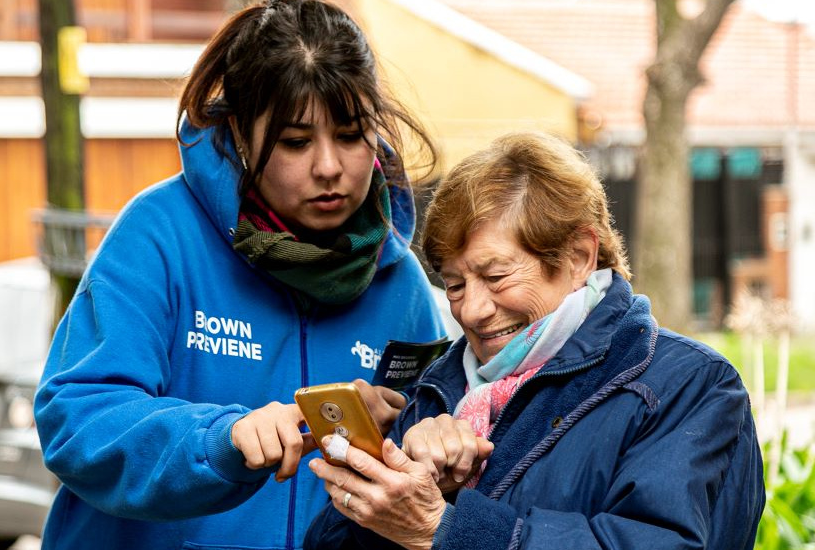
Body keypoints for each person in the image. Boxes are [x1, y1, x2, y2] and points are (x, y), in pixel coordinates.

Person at [33, 1, 449, 548]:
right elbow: (78, 419)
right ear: (239, 133)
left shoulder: (401, 284)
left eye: (350, 135)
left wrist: (402, 436)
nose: (329, 166)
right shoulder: (158, 235)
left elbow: (426, 475)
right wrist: (220, 441)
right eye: (295, 142)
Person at [305, 131, 766, 550]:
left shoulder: (689, 386)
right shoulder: (439, 389)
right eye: (455, 284)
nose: (472, 310)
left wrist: (446, 528)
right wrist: (410, 480)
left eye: (497, 275)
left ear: (580, 256)